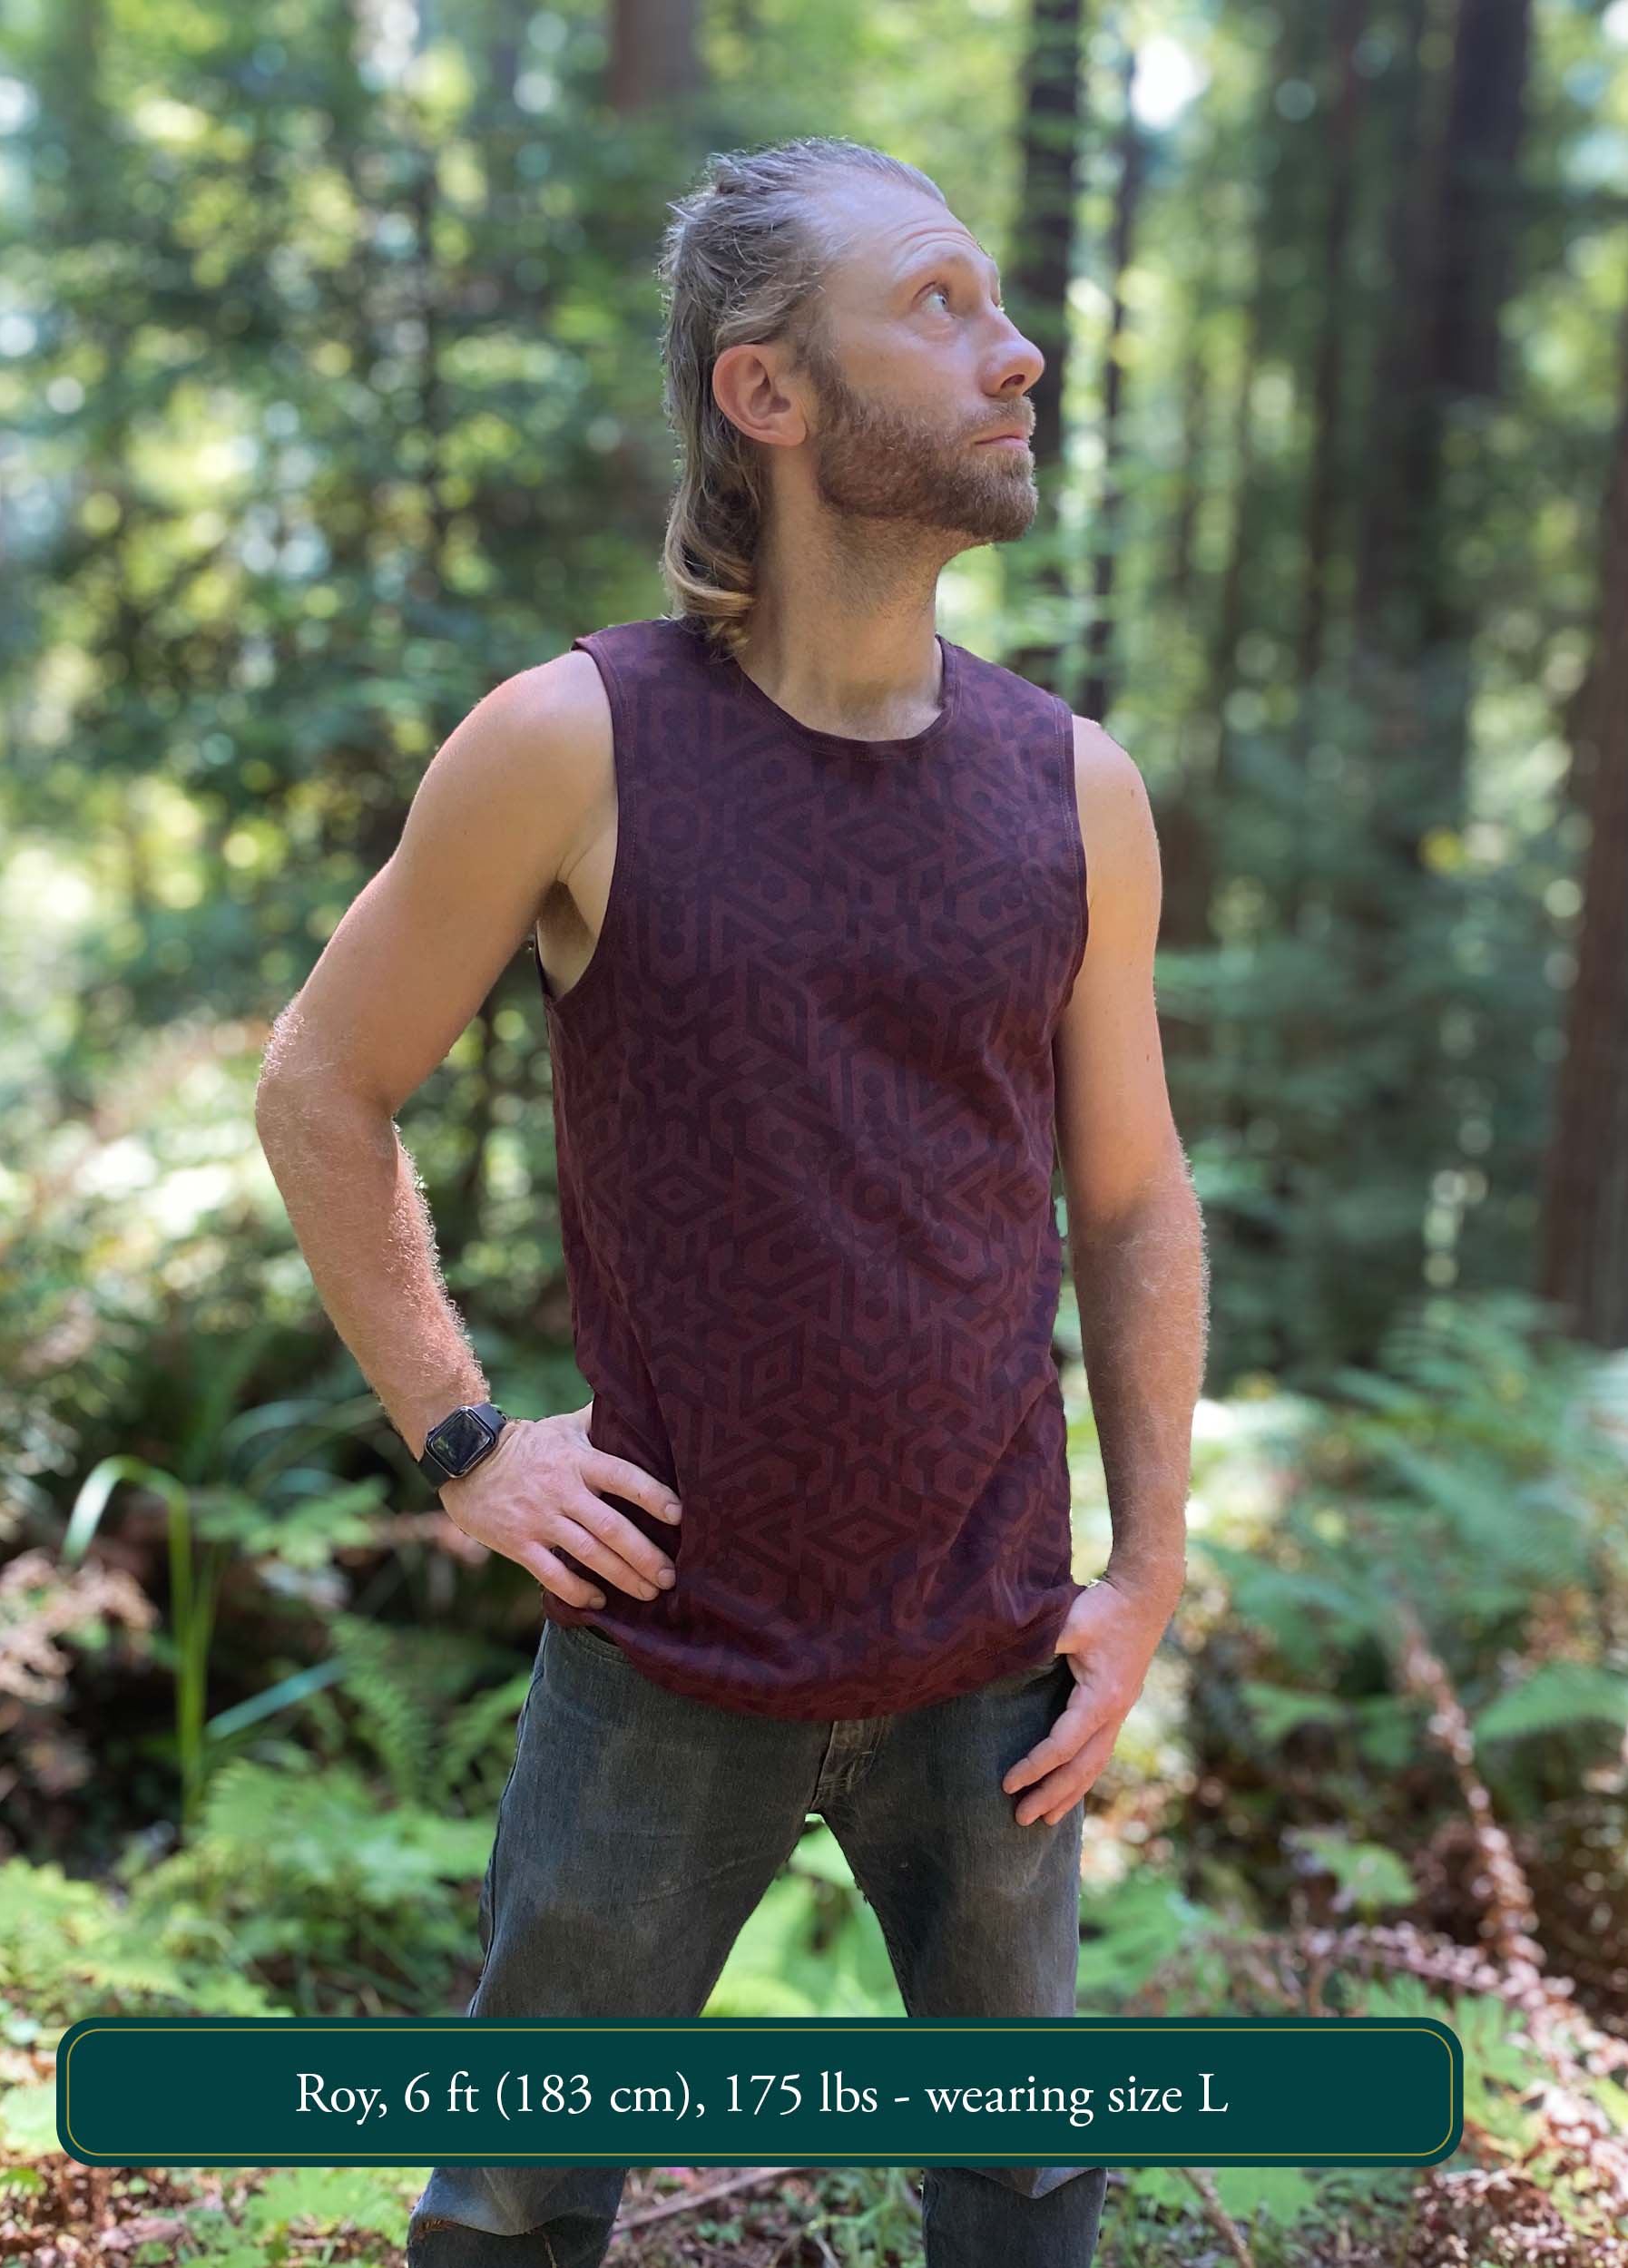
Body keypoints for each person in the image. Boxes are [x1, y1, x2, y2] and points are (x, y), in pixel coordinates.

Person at [255, 132, 1205, 2268]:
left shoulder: (1074, 789)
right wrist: (469, 1438)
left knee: (1028, 2176)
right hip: (664, 1654)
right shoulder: (574, 740)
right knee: (510, 2196)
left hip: (995, 1660)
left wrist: (1145, 1570)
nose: (1017, 351)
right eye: (939, 306)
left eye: (1003, 306)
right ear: (766, 392)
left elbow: (1134, 1204)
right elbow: (324, 1085)